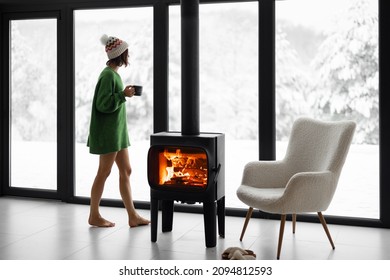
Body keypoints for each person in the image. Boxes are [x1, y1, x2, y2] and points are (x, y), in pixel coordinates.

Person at [87, 34, 150, 228]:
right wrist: (123, 94)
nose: (128, 55)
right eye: (126, 52)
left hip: (118, 132)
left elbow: (111, 99)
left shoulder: (113, 74)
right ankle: (94, 215)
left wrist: (123, 94)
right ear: (120, 54)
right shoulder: (107, 75)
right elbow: (103, 104)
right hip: (109, 133)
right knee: (103, 172)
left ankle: (132, 216)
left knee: (126, 170)